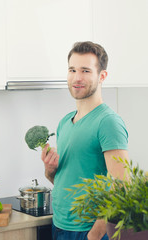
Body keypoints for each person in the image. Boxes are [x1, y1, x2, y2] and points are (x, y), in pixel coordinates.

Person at [41, 41, 129, 240]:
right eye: (72, 69)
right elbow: (67, 180)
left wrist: (95, 234)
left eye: (85, 70)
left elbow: (122, 186)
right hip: (60, 225)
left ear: (102, 76)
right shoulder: (65, 122)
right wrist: (50, 170)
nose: (77, 77)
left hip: (88, 230)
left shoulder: (108, 122)